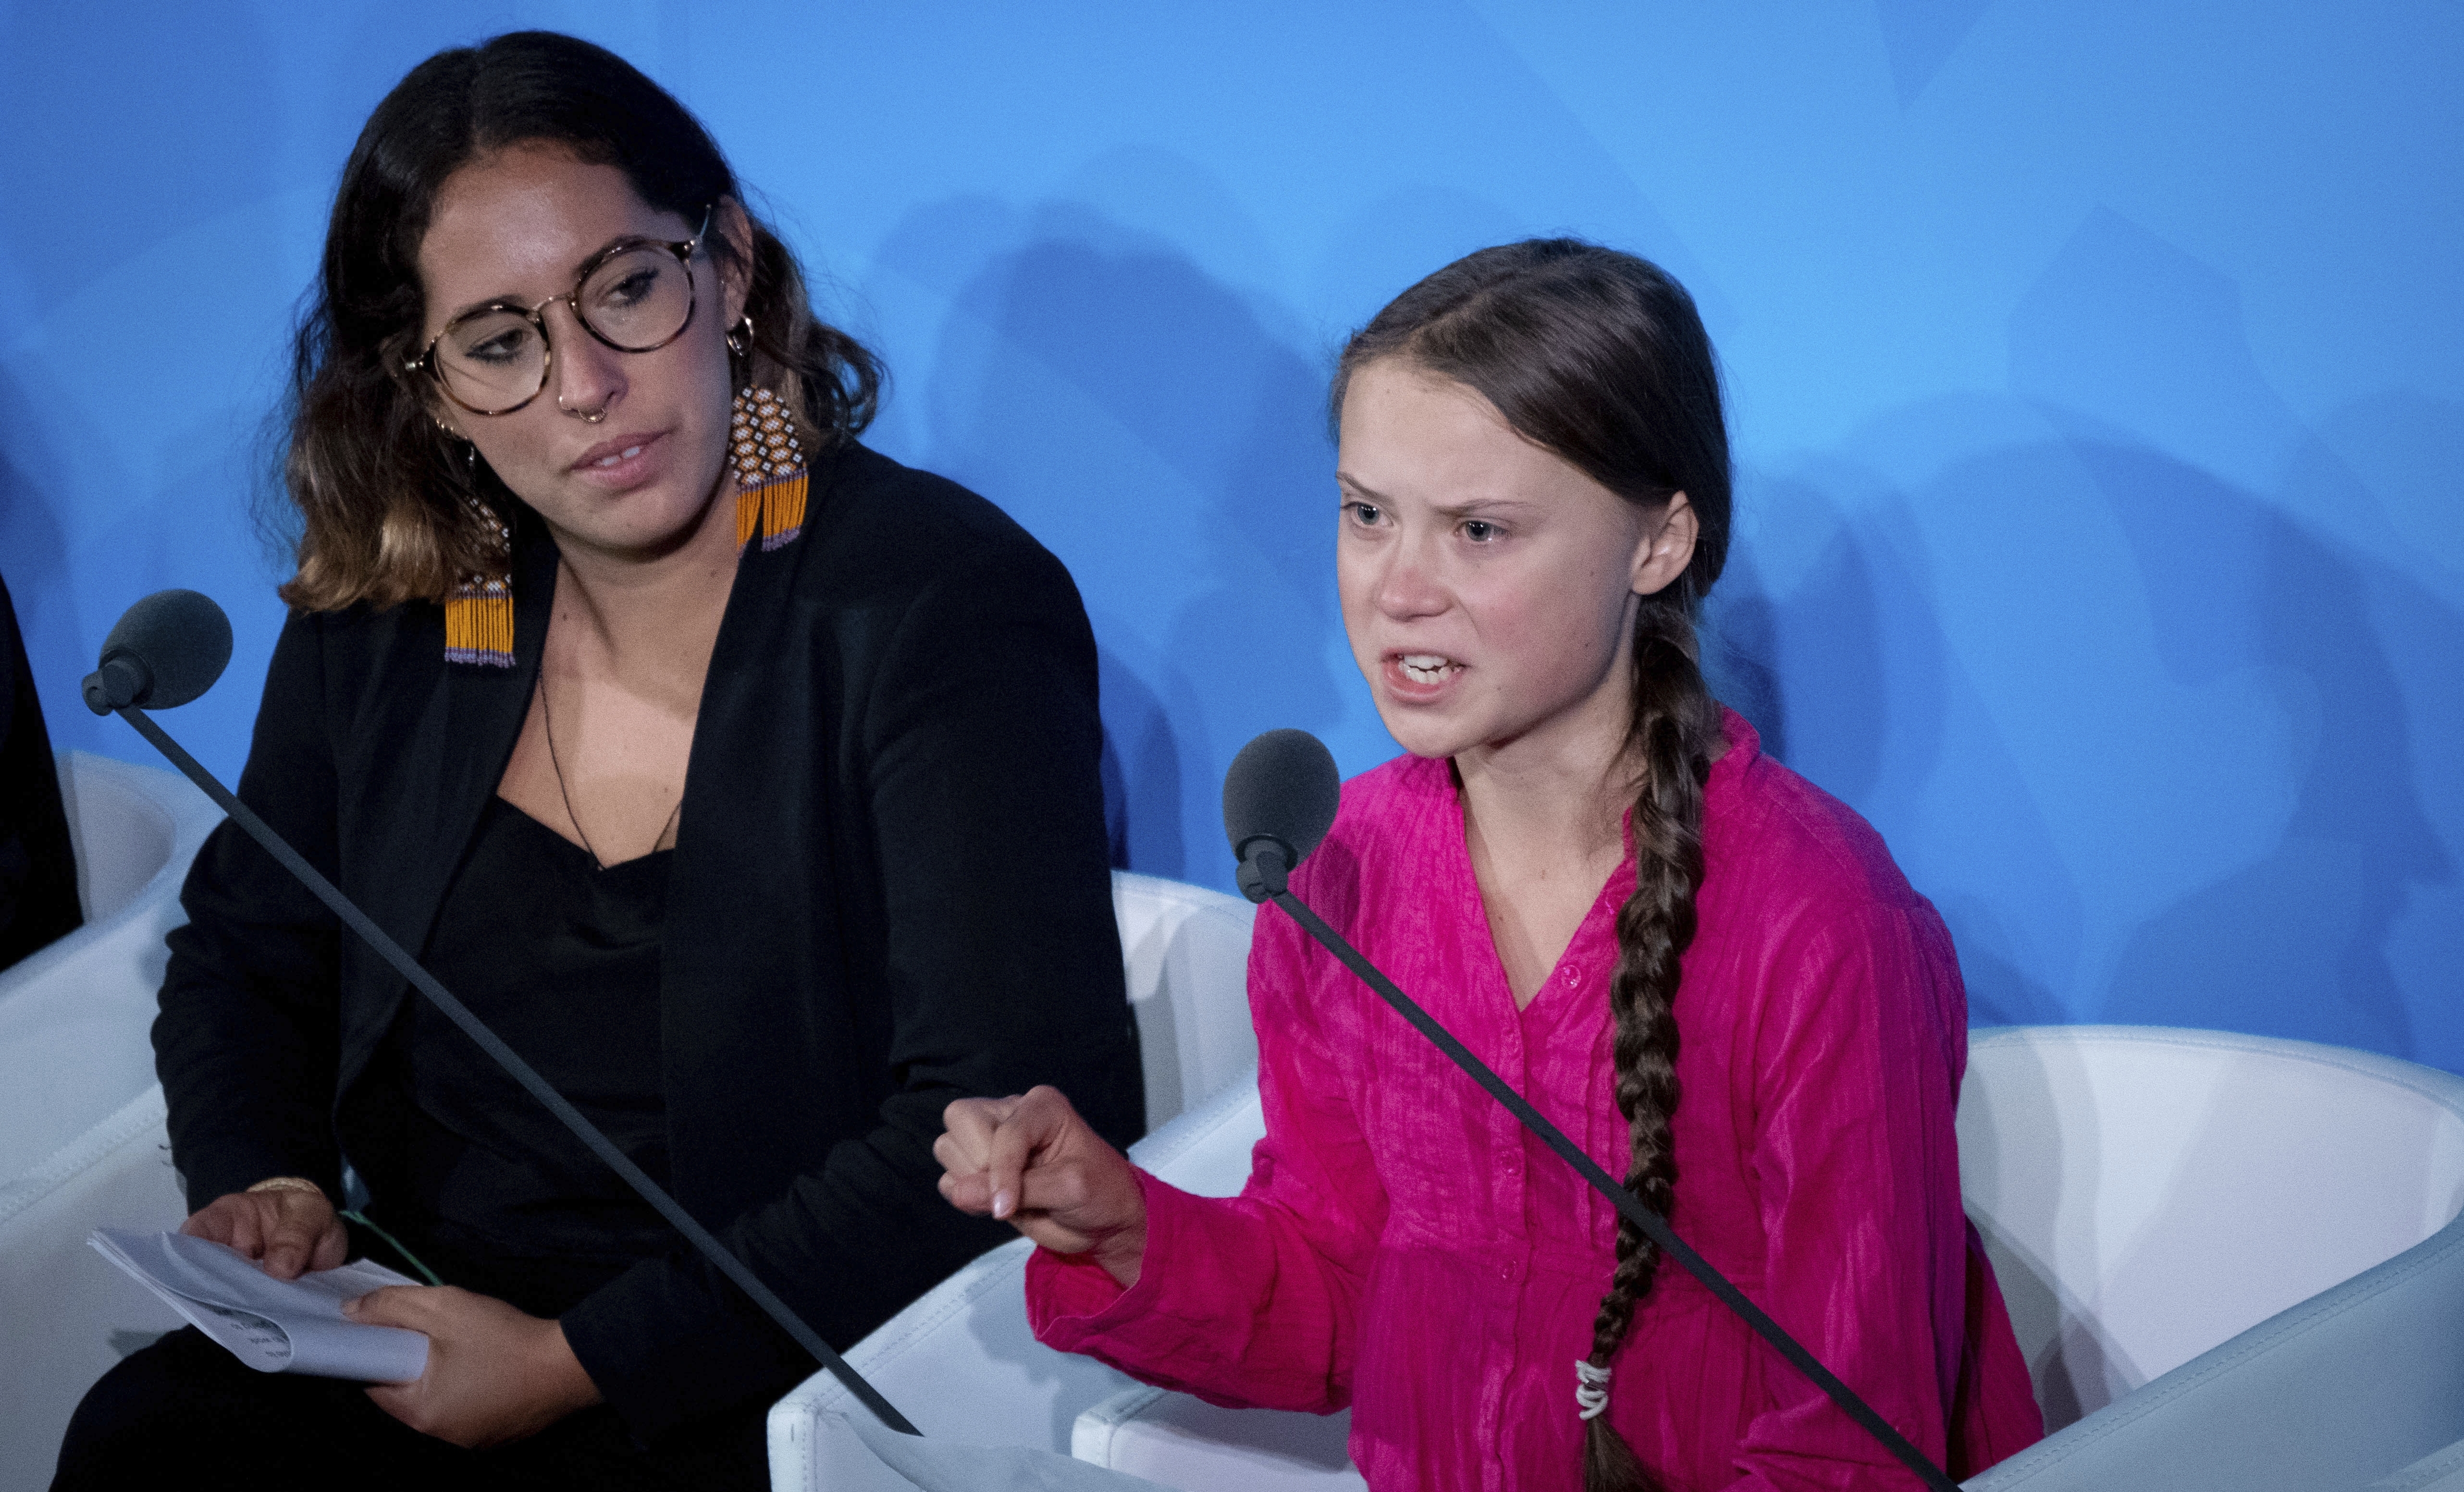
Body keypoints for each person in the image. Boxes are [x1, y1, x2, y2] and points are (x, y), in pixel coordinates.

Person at [53, 30, 1142, 1491]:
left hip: (778, 1372)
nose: (584, 385)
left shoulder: (935, 604)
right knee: (144, 1445)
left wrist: (577, 1364)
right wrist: (272, 1178)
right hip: (416, 1330)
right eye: (501, 342)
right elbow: (253, 950)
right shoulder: (397, 607)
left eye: (625, 288)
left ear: (731, 269)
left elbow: (998, 1131)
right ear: (430, 386)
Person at [936, 241, 2045, 1491]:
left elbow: (1855, 1443)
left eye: (1479, 529)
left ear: (1659, 540)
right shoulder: (1336, 871)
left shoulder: (1821, 920)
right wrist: (1128, 1225)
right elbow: (1345, 1288)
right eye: (1368, 514)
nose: (1398, 589)